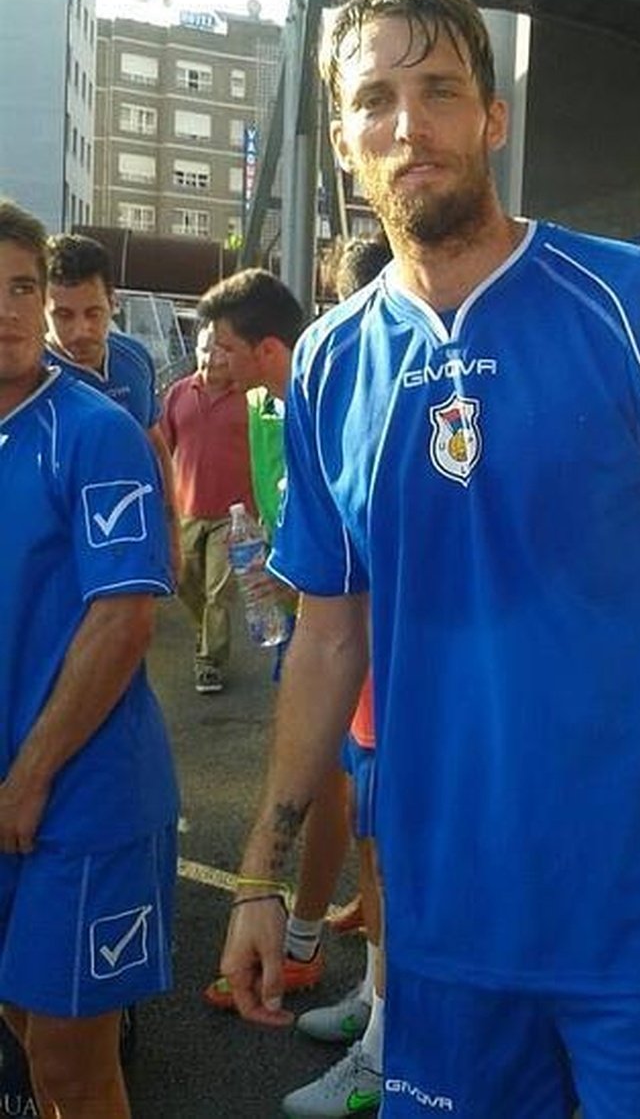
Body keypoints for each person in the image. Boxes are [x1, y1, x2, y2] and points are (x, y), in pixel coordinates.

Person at [221, 0, 640, 1119]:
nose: (408, 124)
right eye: (374, 99)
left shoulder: (639, 303)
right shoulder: (330, 363)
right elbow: (327, 638)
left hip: (636, 924)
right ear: (345, 138)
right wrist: (259, 878)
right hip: (440, 931)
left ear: (493, 118)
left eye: (440, 90)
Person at [200, 257, 392, 1119]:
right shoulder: (276, 403)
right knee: (360, 821)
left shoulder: (358, 379)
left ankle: (389, 1038)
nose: (211, 362)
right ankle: (381, 1010)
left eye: (225, 347)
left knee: (377, 829)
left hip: (391, 664)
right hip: (337, 648)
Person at [0, 199, 178, 1118]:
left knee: (72, 1058)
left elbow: (124, 619)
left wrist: (30, 775)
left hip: (81, 794)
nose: (12, 310)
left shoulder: (97, 431)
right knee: (27, 1026)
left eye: (23, 287)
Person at [44, 233, 180, 574]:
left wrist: (173, 532)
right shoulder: (26, 376)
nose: (81, 330)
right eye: (63, 315)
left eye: (94, 312)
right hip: (59, 550)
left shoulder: (134, 359)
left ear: (113, 302)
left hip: (133, 538)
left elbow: (156, 446)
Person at [159, 325, 256, 694]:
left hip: (232, 516)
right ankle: (205, 629)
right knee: (185, 583)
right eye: (202, 349)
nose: (209, 358)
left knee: (219, 591)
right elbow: (162, 449)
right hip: (186, 510)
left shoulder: (248, 397)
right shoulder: (178, 394)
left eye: (217, 350)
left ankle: (209, 661)